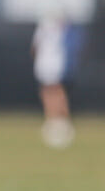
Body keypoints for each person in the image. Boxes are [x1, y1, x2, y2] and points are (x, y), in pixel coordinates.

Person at [31, 12, 80, 148]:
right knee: (50, 91)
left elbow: (34, 47)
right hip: (51, 62)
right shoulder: (59, 27)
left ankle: (60, 120)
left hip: (51, 62)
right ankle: (55, 120)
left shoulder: (47, 27)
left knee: (54, 90)